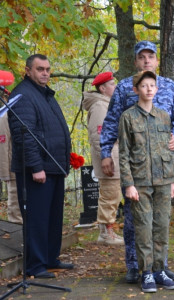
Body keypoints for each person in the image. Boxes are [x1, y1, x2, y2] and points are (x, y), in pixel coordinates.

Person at [100, 41, 174, 283]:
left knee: (160, 222)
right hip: (137, 165)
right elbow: (111, 121)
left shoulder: (168, 86)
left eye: (151, 56)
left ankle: (160, 265)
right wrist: (106, 153)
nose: (147, 60)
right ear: (135, 60)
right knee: (133, 220)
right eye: (142, 57)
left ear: (157, 60)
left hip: (161, 164)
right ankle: (134, 265)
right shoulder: (124, 88)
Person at [8, 54, 73, 278]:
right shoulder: (23, 95)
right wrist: (36, 167)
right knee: (37, 218)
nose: (45, 73)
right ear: (27, 71)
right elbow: (24, 135)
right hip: (36, 169)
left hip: (54, 166)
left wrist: (64, 160)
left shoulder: (45, 94)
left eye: (47, 69)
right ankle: (35, 265)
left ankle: (50, 258)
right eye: (39, 69)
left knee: (53, 217)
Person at [119, 71, 174, 292]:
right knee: (143, 228)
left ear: (157, 89)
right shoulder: (128, 117)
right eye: (144, 86)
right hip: (140, 182)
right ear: (136, 90)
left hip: (163, 181)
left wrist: (172, 180)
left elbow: (169, 152)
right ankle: (146, 273)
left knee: (161, 227)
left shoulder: (164, 116)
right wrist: (128, 184)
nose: (149, 89)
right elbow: (124, 154)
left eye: (152, 85)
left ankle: (159, 270)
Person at [82, 71, 123, 245]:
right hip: (109, 159)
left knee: (113, 194)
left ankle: (108, 230)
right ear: (103, 88)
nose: (115, 87)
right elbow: (98, 136)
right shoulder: (100, 106)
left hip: (115, 156)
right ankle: (105, 233)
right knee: (109, 194)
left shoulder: (108, 103)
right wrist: (105, 158)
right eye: (112, 84)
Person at [0, 90, 22, 224]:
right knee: (15, 205)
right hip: (12, 168)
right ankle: (17, 234)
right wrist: (5, 174)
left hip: (18, 166)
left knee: (19, 204)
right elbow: (3, 145)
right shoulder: (4, 117)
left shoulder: (10, 114)